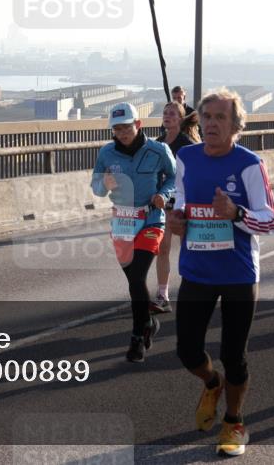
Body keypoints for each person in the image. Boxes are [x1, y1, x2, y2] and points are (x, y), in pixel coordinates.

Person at [168, 89, 274, 457]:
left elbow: (271, 221)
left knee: (235, 355)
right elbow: (180, 199)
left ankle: (234, 421)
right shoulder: (185, 157)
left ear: (235, 126)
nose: (212, 123)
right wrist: (178, 218)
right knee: (187, 350)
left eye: (221, 118)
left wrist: (236, 215)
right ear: (198, 121)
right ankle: (211, 383)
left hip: (237, 272)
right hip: (197, 269)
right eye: (207, 117)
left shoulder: (249, 164)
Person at [91, 102, 176, 362]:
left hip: (150, 220)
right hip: (122, 224)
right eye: (117, 129)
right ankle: (148, 322)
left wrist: (163, 194)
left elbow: (175, 178)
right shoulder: (107, 153)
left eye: (127, 127)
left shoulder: (158, 150)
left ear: (138, 125)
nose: (122, 133)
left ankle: (137, 337)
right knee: (133, 282)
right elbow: (96, 186)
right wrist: (103, 183)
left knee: (138, 277)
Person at [153, 102, 201, 313]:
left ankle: (191, 291)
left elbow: (195, 175)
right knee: (162, 249)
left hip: (182, 204)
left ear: (180, 119)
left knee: (186, 248)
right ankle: (163, 294)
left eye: (172, 114)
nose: (167, 116)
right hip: (163, 204)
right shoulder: (157, 144)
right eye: (165, 113)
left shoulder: (187, 145)